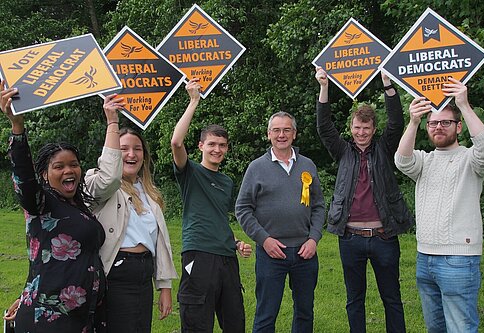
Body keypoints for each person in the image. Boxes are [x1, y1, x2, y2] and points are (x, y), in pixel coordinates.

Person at [0, 80, 111, 332]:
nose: (68, 170)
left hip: (84, 316)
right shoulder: (41, 203)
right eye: (58, 167)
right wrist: (18, 127)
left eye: (73, 164)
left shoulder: (78, 206)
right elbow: (24, 178)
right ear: (44, 175)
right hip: (50, 318)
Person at [315, 67, 414, 333]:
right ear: (351, 128)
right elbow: (324, 127)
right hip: (351, 239)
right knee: (354, 299)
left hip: (384, 238)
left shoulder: (383, 149)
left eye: (366, 128)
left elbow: (396, 124)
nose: (361, 132)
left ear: (373, 129)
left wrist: (388, 86)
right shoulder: (342, 152)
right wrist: (324, 87)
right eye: (357, 127)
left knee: (392, 298)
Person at [395, 78, 484, 332]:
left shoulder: (471, 160)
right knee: (435, 328)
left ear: (458, 127)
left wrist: (463, 104)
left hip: (459, 261)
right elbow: (402, 160)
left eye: (445, 122)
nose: (438, 127)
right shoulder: (424, 161)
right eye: (433, 123)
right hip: (425, 258)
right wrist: (414, 121)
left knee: (461, 329)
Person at [85, 106, 178, 331]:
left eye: (137, 149)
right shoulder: (98, 183)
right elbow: (109, 178)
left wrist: (164, 287)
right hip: (116, 274)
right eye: (123, 148)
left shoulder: (149, 192)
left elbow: (159, 242)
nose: (131, 154)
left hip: (143, 274)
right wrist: (112, 123)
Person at [170, 78, 252, 332]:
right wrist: (194, 100)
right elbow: (176, 142)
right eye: (212, 144)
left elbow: (217, 218)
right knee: (197, 323)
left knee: (235, 322)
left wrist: (235, 242)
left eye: (222, 145)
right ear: (201, 146)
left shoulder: (226, 181)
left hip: (227, 259)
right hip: (199, 255)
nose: (217, 149)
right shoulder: (190, 172)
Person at [235, 111, 325, 333]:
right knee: (266, 314)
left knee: (305, 312)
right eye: (276, 130)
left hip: (305, 252)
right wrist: (264, 240)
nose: (281, 135)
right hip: (270, 253)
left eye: (286, 130)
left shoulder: (308, 165)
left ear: (294, 134)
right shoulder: (256, 168)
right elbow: (242, 208)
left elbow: (319, 206)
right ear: (268, 134)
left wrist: (313, 239)